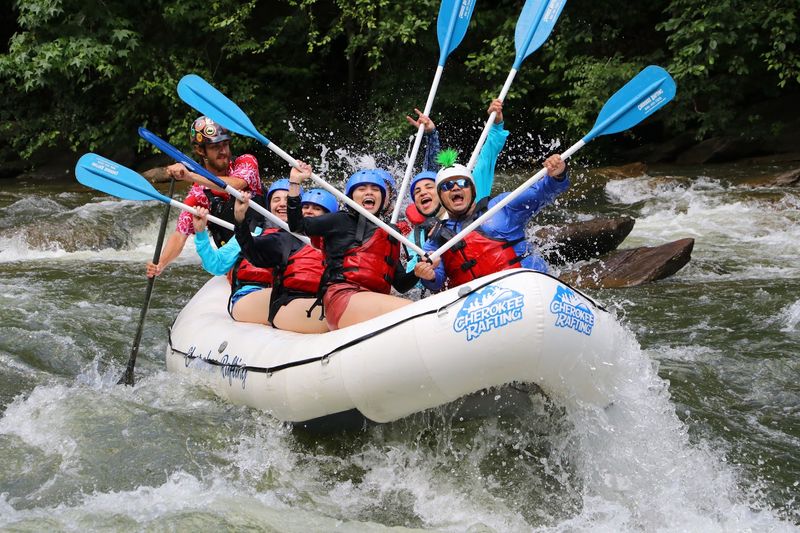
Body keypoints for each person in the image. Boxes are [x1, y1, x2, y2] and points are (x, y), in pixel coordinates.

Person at [286, 164, 420, 330]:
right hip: (343, 297)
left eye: (375, 189)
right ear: (351, 197)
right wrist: (295, 183)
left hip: (373, 300)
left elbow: (400, 284)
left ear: (383, 199)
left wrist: (417, 273)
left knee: (412, 309)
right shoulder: (340, 220)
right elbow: (296, 225)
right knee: (412, 311)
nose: (369, 192)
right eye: (362, 189)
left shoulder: (390, 233)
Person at [415, 153, 569, 291]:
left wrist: (557, 175)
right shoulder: (435, 238)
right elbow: (436, 282)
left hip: (527, 288)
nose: (455, 188)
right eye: (447, 186)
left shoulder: (501, 206)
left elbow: (542, 192)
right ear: (441, 198)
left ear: (473, 190)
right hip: (483, 307)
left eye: (462, 183)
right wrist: (429, 275)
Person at [145, 116, 264, 278]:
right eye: (216, 147)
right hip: (235, 260)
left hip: (264, 242)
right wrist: (161, 264)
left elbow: (235, 184)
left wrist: (190, 176)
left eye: (225, 144)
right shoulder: (198, 195)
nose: (224, 151)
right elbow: (180, 235)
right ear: (201, 150)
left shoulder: (245, 162)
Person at [404, 99, 509, 272]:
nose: (423, 192)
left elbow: (488, 153)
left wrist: (496, 123)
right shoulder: (418, 236)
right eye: (417, 191)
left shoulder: (471, 190)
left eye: (429, 188)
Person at [233, 183, 338, 334]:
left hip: (320, 299)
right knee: (339, 314)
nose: (309, 212)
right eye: (305, 207)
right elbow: (252, 251)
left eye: (317, 209)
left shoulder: (339, 242)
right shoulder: (285, 238)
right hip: (288, 302)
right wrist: (240, 221)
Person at [191, 179, 298, 325]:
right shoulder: (249, 235)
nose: (282, 204)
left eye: (288, 199)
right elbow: (215, 265)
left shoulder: (311, 238)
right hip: (253, 295)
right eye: (276, 200)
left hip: (292, 296)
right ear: (269, 206)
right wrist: (201, 233)